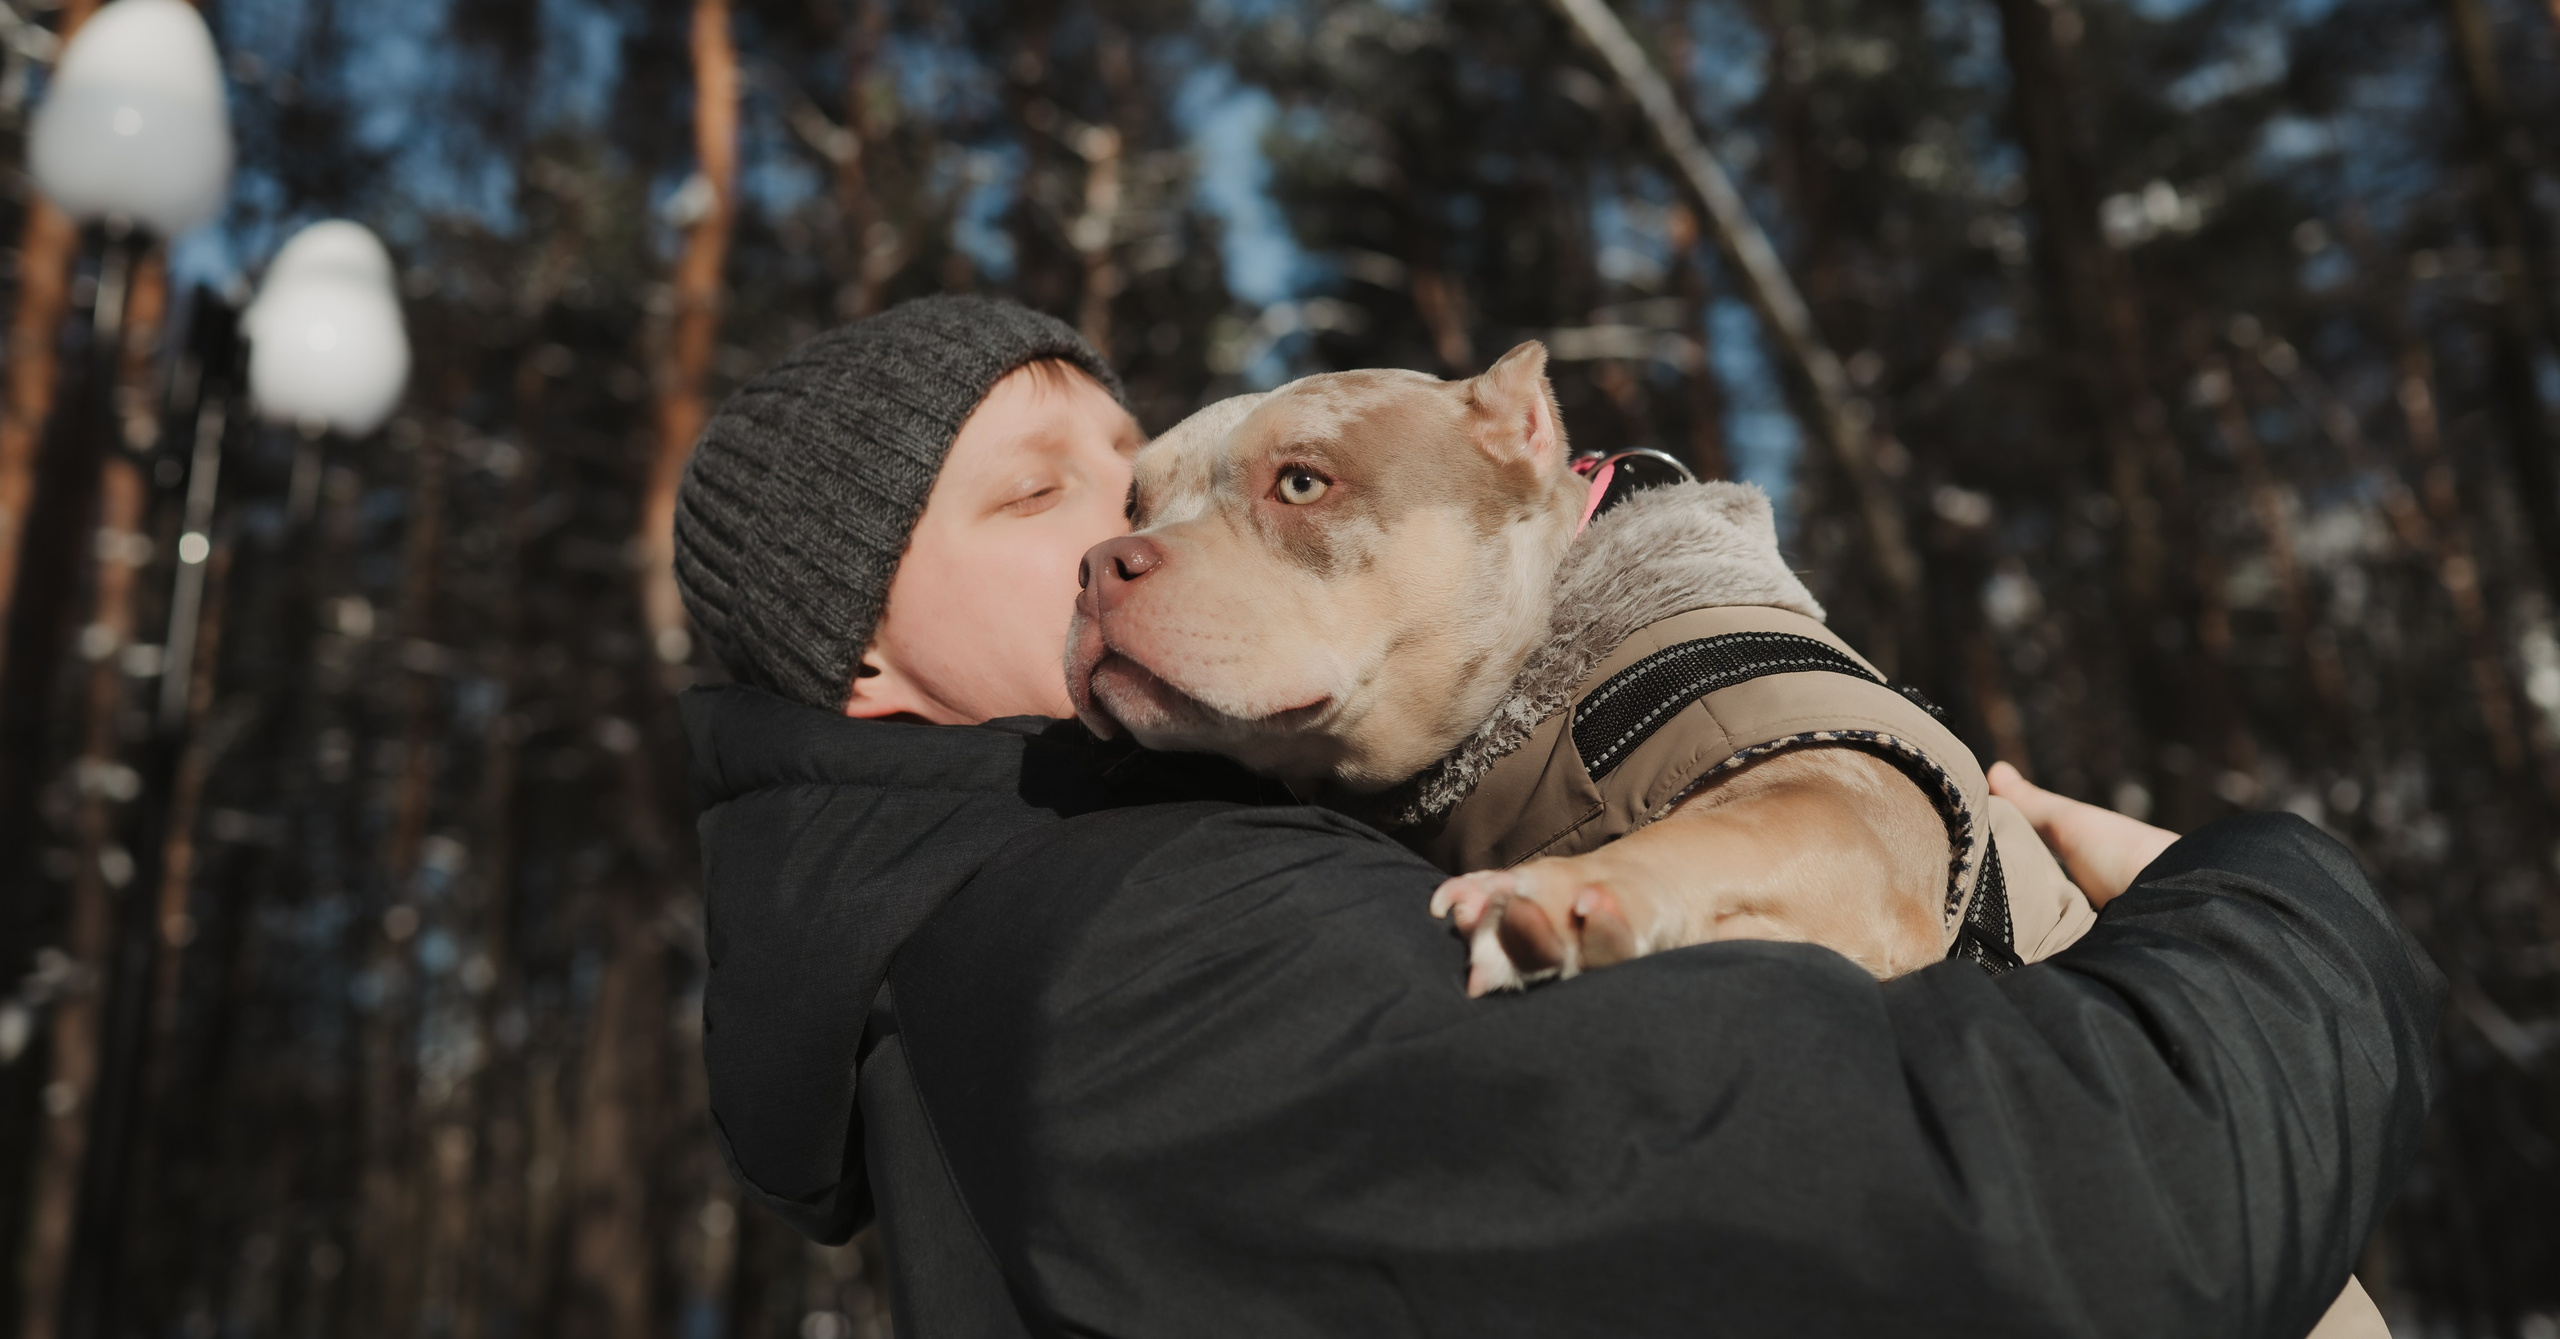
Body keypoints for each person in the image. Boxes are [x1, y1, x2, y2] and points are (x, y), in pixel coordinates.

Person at [675, 294, 2443, 1338]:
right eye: (1034, 499)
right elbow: (2073, 1221)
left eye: (1140, 481)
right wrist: (2285, 907)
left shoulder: (982, 968)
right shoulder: (1108, 952)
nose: (1125, 541)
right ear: (861, 670)